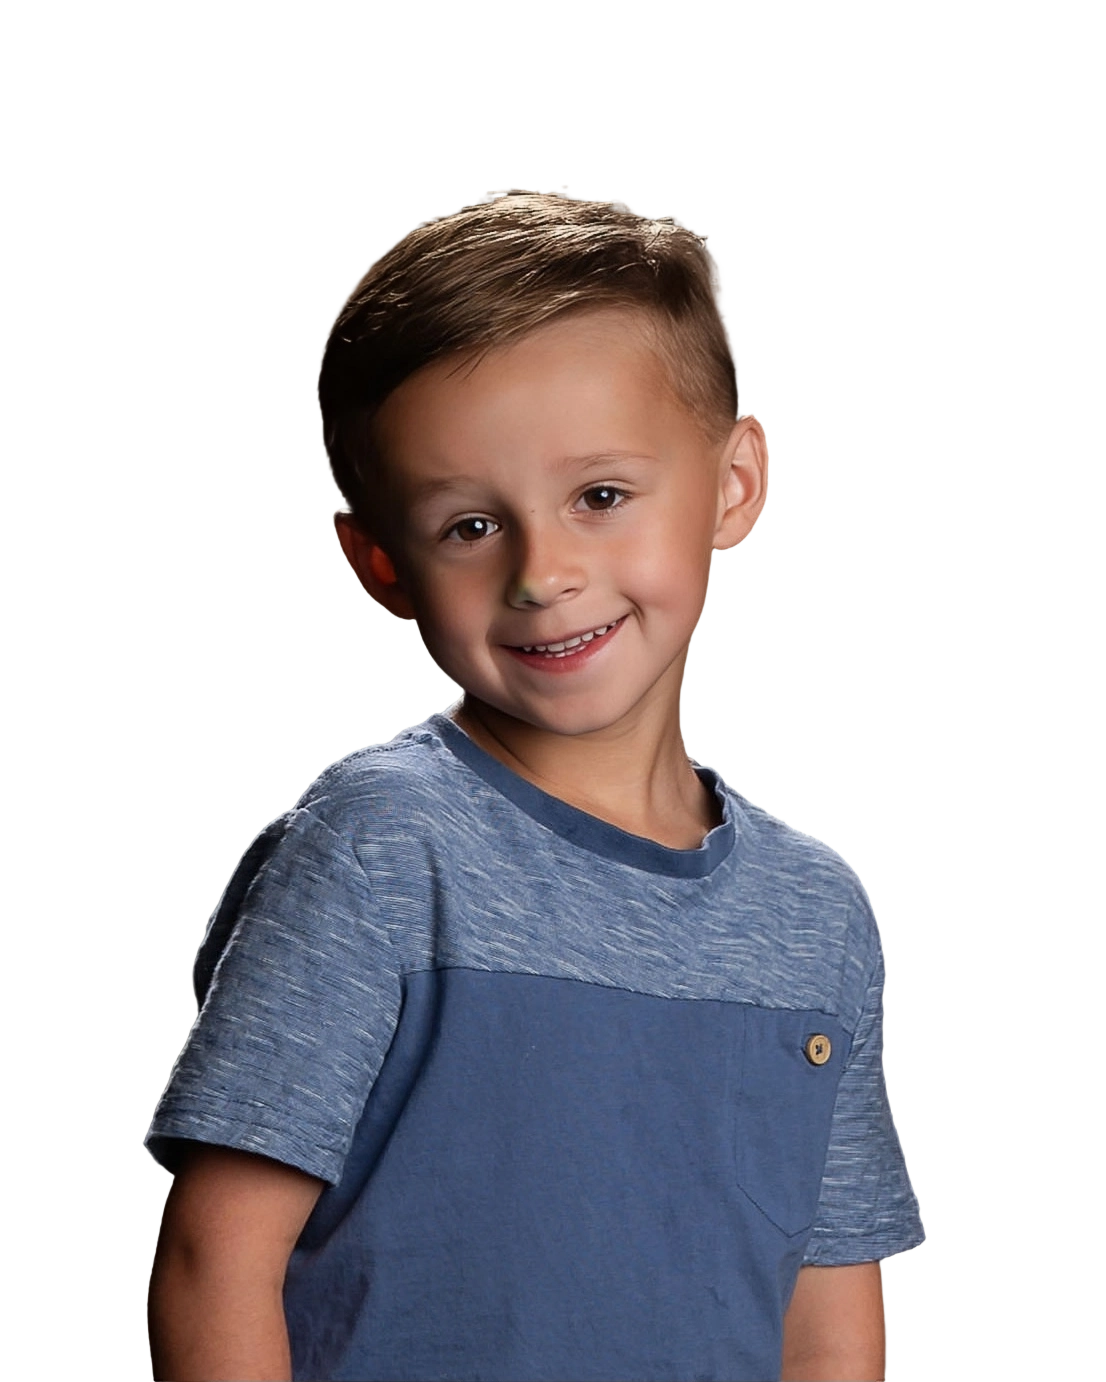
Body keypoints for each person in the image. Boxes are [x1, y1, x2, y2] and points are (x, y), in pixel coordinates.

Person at [142, 187, 926, 1382]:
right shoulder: (379, 848)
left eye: (599, 496)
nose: (542, 571)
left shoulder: (817, 912)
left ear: (734, 482)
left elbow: (827, 1311)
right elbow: (216, 1259)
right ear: (377, 563)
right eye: (468, 526)